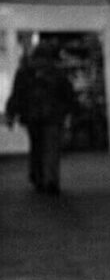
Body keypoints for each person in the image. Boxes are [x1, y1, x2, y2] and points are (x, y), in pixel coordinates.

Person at [4, 41, 76, 195]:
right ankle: (50, 180)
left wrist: (11, 114)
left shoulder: (24, 73)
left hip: (32, 117)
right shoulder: (56, 73)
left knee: (37, 148)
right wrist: (70, 112)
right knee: (51, 148)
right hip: (53, 117)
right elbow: (68, 94)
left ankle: (38, 177)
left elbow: (17, 95)